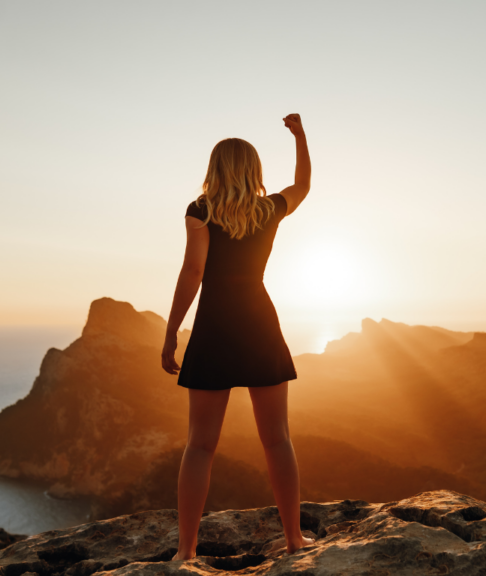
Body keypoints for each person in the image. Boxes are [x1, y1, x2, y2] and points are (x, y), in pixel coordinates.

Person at [161, 113, 314, 562]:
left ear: (215, 169)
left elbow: (193, 272)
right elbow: (302, 185)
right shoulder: (269, 210)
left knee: (200, 444)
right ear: (253, 170)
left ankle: (186, 552)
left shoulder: (200, 211)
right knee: (278, 439)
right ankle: (294, 539)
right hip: (259, 325)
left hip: (213, 328)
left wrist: (172, 333)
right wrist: (301, 137)